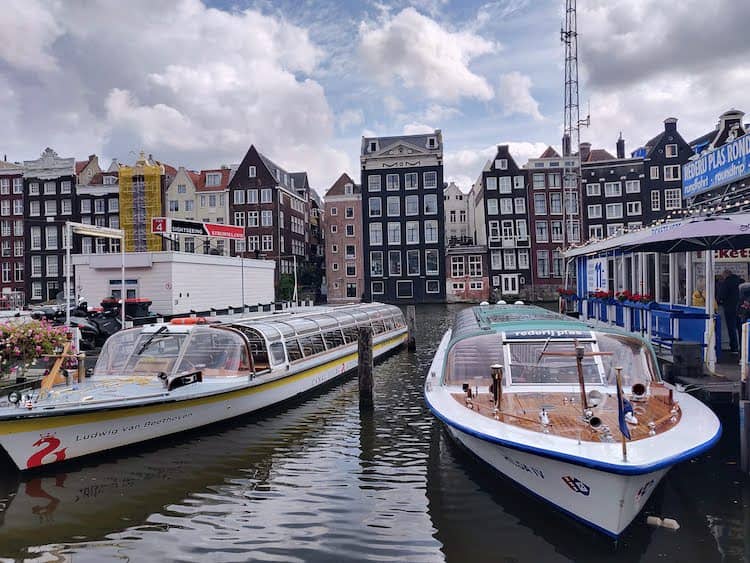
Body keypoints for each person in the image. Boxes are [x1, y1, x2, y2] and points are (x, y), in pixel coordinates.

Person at [717, 269, 744, 354]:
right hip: (741, 308)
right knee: (741, 328)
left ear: (725, 275)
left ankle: (734, 348)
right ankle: (743, 347)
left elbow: (721, 295)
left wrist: (719, 301)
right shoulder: (741, 282)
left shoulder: (726, 283)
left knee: (731, 328)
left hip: (730, 309)